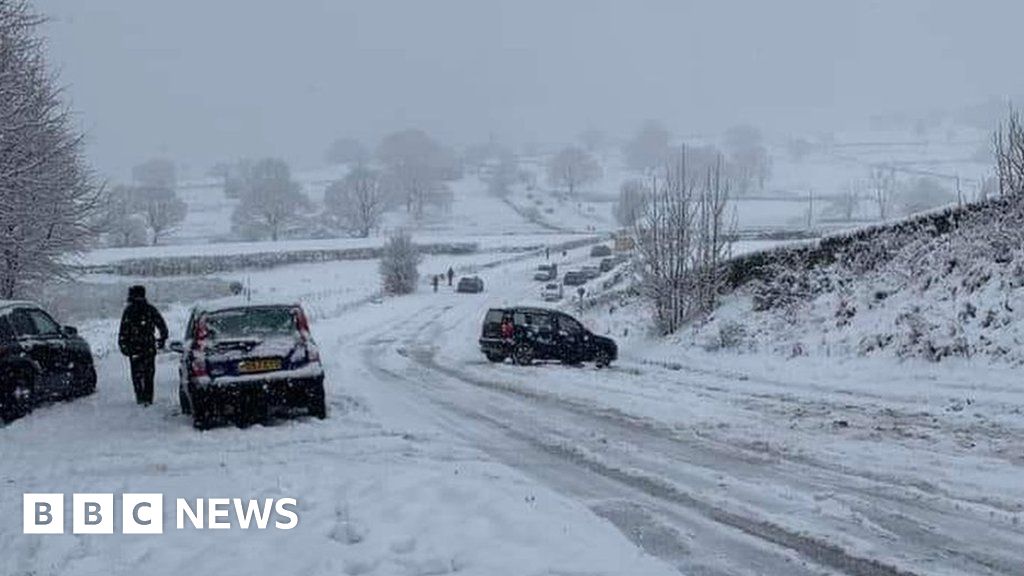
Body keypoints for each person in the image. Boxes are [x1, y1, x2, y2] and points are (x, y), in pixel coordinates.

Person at [117, 285, 168, 406]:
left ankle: (140, 398)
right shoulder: (150, 309)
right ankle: (148, 398)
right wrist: (162, 339)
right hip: (148, 346)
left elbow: (123, 330)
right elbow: (162, 325)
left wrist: (123, 345)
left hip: (134, 347)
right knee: (149, 374)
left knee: (137, 374)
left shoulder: (129, 311)